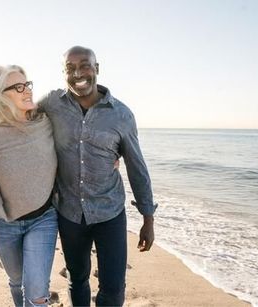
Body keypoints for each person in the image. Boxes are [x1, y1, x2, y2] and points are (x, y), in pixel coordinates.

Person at [38, 46, 157, 307]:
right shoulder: (51, 104)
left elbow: (137, 167)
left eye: (85, 65)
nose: (78, 73)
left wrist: (148, 218)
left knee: (113, 290)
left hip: (110, 213)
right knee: (77, 279)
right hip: (69, 213)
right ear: (63, 73)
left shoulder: (122, 115)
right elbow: (18, 119)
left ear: (97, 68)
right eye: (70, 68)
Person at [0, 65, 58, 307]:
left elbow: (76, 132)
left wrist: (109, 154)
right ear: (0, 96)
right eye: (18, 87)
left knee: (36, 293)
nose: (27, 91)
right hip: (5, 223)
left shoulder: (46, 123)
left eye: (27, 84)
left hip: (44, 219)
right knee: (16, 282)